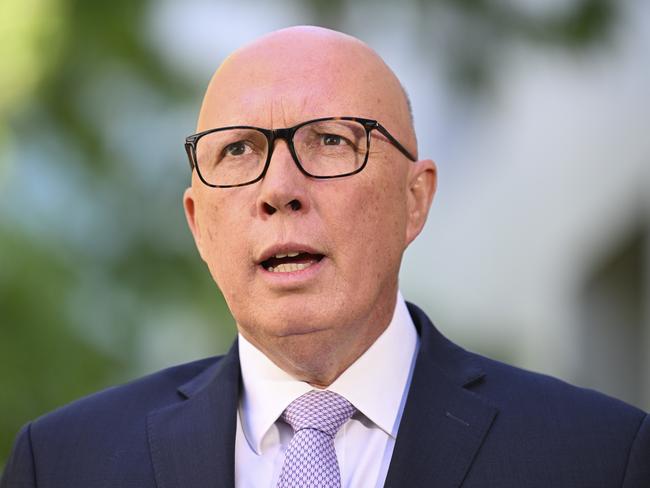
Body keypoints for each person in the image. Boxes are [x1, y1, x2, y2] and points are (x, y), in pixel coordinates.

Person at [2, 25, 649, 488]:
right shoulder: (62, 463)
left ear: (414, 200)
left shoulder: (601, 457)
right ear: (198, 225)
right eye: (238, 152)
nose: (280, 191)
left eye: (332, 141)